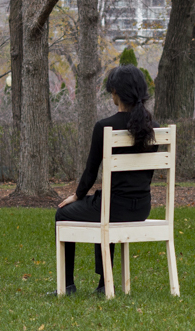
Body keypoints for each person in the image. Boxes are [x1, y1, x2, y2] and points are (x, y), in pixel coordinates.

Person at [53, 65, 156, 296]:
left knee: (63, 214)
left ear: (116, 93)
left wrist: (77, 196)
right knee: (104, 207)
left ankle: (67, 285)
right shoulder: (154, 129)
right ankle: (102, 285)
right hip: (142, 208)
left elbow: (91, 172)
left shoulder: (104, 127)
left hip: (113, 208)